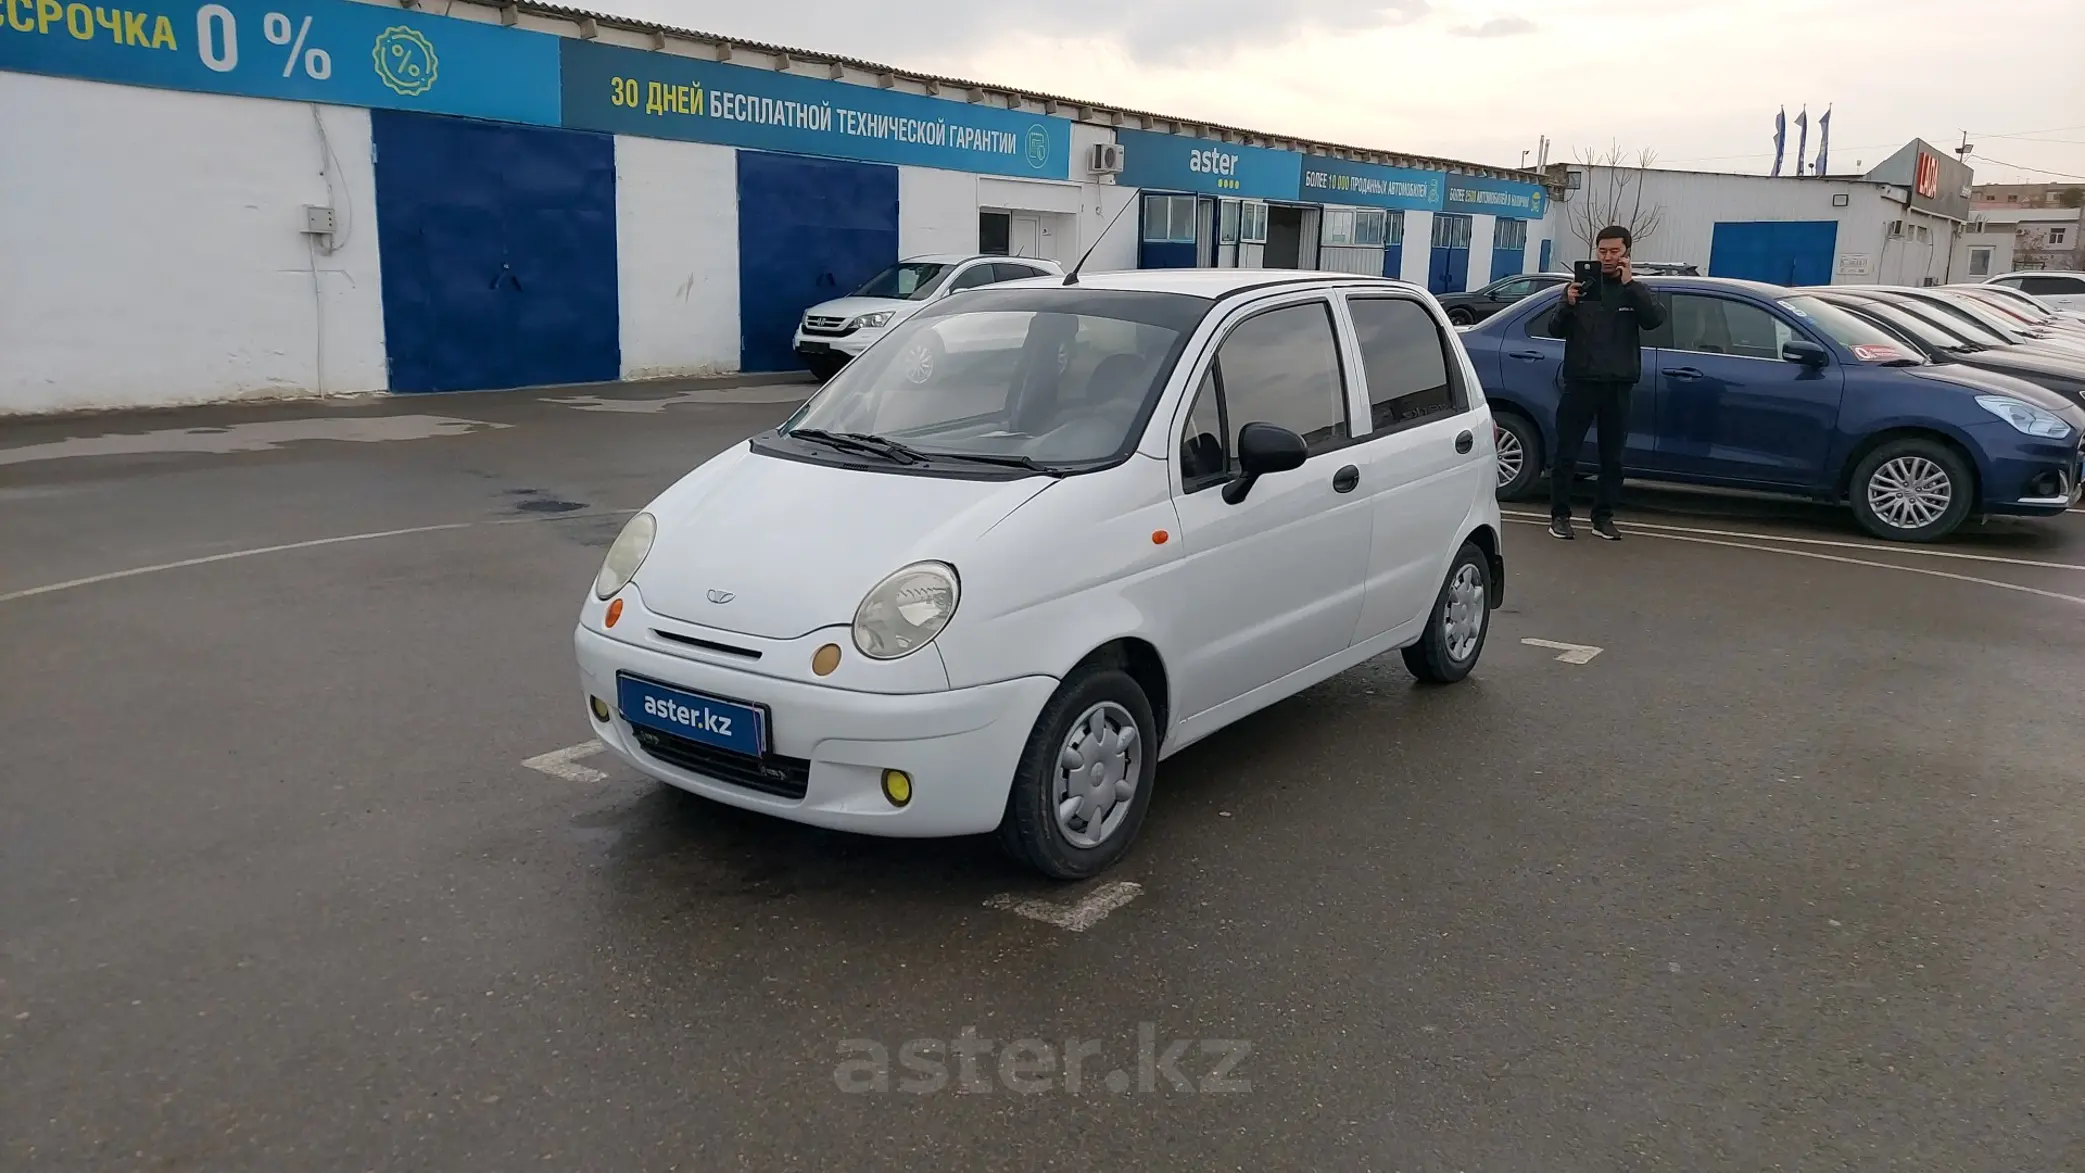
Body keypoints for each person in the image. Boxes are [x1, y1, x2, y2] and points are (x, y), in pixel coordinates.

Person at [1548, 224, 1665, 541]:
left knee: (1612, 458)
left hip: (1619, 385)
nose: (1608, 257)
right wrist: (1567, 304)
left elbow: (1655, 320)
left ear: (1627, 253)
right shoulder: (1580, 288)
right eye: (1602, 251)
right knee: (1567, 452)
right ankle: (1560, 516)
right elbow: (1554, 329)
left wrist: (1631, 284)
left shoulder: (1635, 291)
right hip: (1581, 382)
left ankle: (1603, 517)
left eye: (1615, 251)